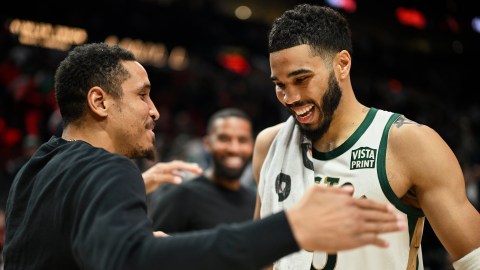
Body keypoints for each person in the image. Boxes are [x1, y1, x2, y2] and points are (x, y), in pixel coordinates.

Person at [2, 42, 405, 270]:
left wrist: (134, 188)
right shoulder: (110, 169)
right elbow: (132, 260)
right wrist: (291, 228)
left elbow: (53, 236)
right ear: (99, 102)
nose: (155, 109)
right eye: (142, 95)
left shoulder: (40, 167)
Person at [253, 4, 480, 270]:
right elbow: (262, 255)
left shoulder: (406, 143)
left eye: (302, 79)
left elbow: (474, 258)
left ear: (342, 64)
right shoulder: (269, 145)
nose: (290, 98)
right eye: (280, 85)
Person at [149, 108, 256, 232]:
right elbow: (153, 248)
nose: (234, 148)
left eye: (242, 140)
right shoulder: (180, 197)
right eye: (224, 139)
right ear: (207, 144)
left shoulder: (256, 202)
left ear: (252, 145)